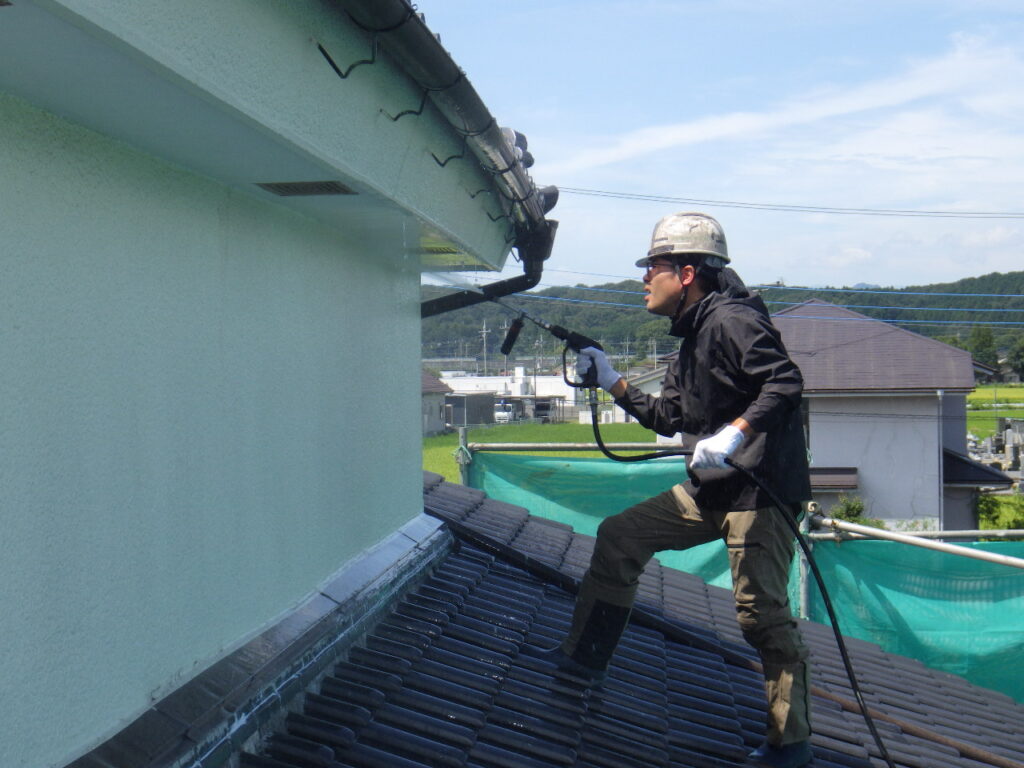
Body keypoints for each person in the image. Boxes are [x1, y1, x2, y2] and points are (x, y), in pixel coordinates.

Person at [543, 212, 814, 768]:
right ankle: (583, 661)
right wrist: (613, 381)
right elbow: (669, 416)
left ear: (686, 273)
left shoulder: (733, 320)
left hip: (758, 494)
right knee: (620, 537)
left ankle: (792, 745)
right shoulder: (692, 335)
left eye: (653, 268)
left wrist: (737, 433)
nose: (645, 278)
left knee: (759, 617)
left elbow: (784, 380)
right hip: (712, 489)